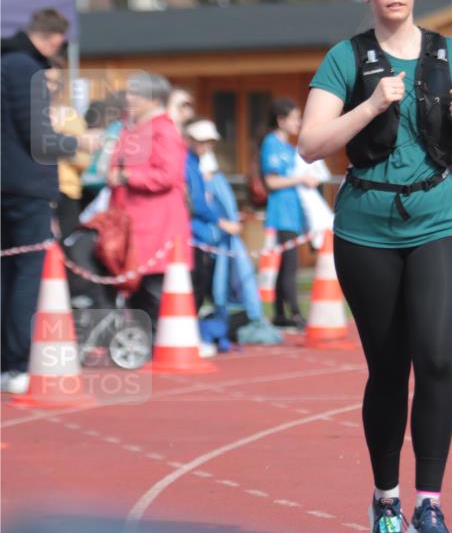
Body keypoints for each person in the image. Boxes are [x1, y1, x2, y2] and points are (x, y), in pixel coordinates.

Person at [299, 0, 452, 533]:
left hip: (435, 219)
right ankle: (385, 502)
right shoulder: (345, 58)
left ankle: (429, 507)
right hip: (365, 227)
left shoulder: (449, 54)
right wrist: (372, 104)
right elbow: (309, 143)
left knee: (435, 357)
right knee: (389, 368)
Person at [0, 8, 100, 394]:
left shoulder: (7, 64)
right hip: (26, 188)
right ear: (56, 38)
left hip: (7, 186)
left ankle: (9, 361)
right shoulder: (26, 69)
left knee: (8, 274)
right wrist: (81, 142)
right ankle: (17, 361)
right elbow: (39, 140)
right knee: (27, 273)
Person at [107, 73, 191, 336]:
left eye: (135, 94)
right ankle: (140, 339)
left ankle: (156, 340)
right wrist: (113, 174)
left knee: (153, 285)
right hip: (131, 219)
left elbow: (169, 174)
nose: (129, 99)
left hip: (158, 222)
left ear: (152, 99)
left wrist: (128, 176)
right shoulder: (129, 128)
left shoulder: (163, 129)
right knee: (135, 285)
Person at [185, 119, 278, 347]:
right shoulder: (188, 164)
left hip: (205, 238)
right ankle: (189, 334)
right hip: (195, 238)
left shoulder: (196, 164)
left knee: (202, 285)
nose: (206, 146)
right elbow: (195, 202)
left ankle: (196, 332)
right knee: (194, 286)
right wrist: (221, 222)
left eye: (209, 142)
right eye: (202, 141)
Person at [259, 98, 319, 331]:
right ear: (281, 120)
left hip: (294, 214)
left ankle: (280, 314)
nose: (299, 123)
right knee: (290, 265)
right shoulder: (271, 143)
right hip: (281, 213)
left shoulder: (290, 148)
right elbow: (272, 181)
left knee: (287, 266)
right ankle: (293, 313)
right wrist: (301, 179)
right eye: (295, 118)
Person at [45, 61, 90, 240]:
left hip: (65, 193)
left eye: (53, 81)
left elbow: (83, 161)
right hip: (33, 194)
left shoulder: (70, 117)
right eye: (44, 80)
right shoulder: (24, 115)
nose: (49, 86)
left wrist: (58, 142)